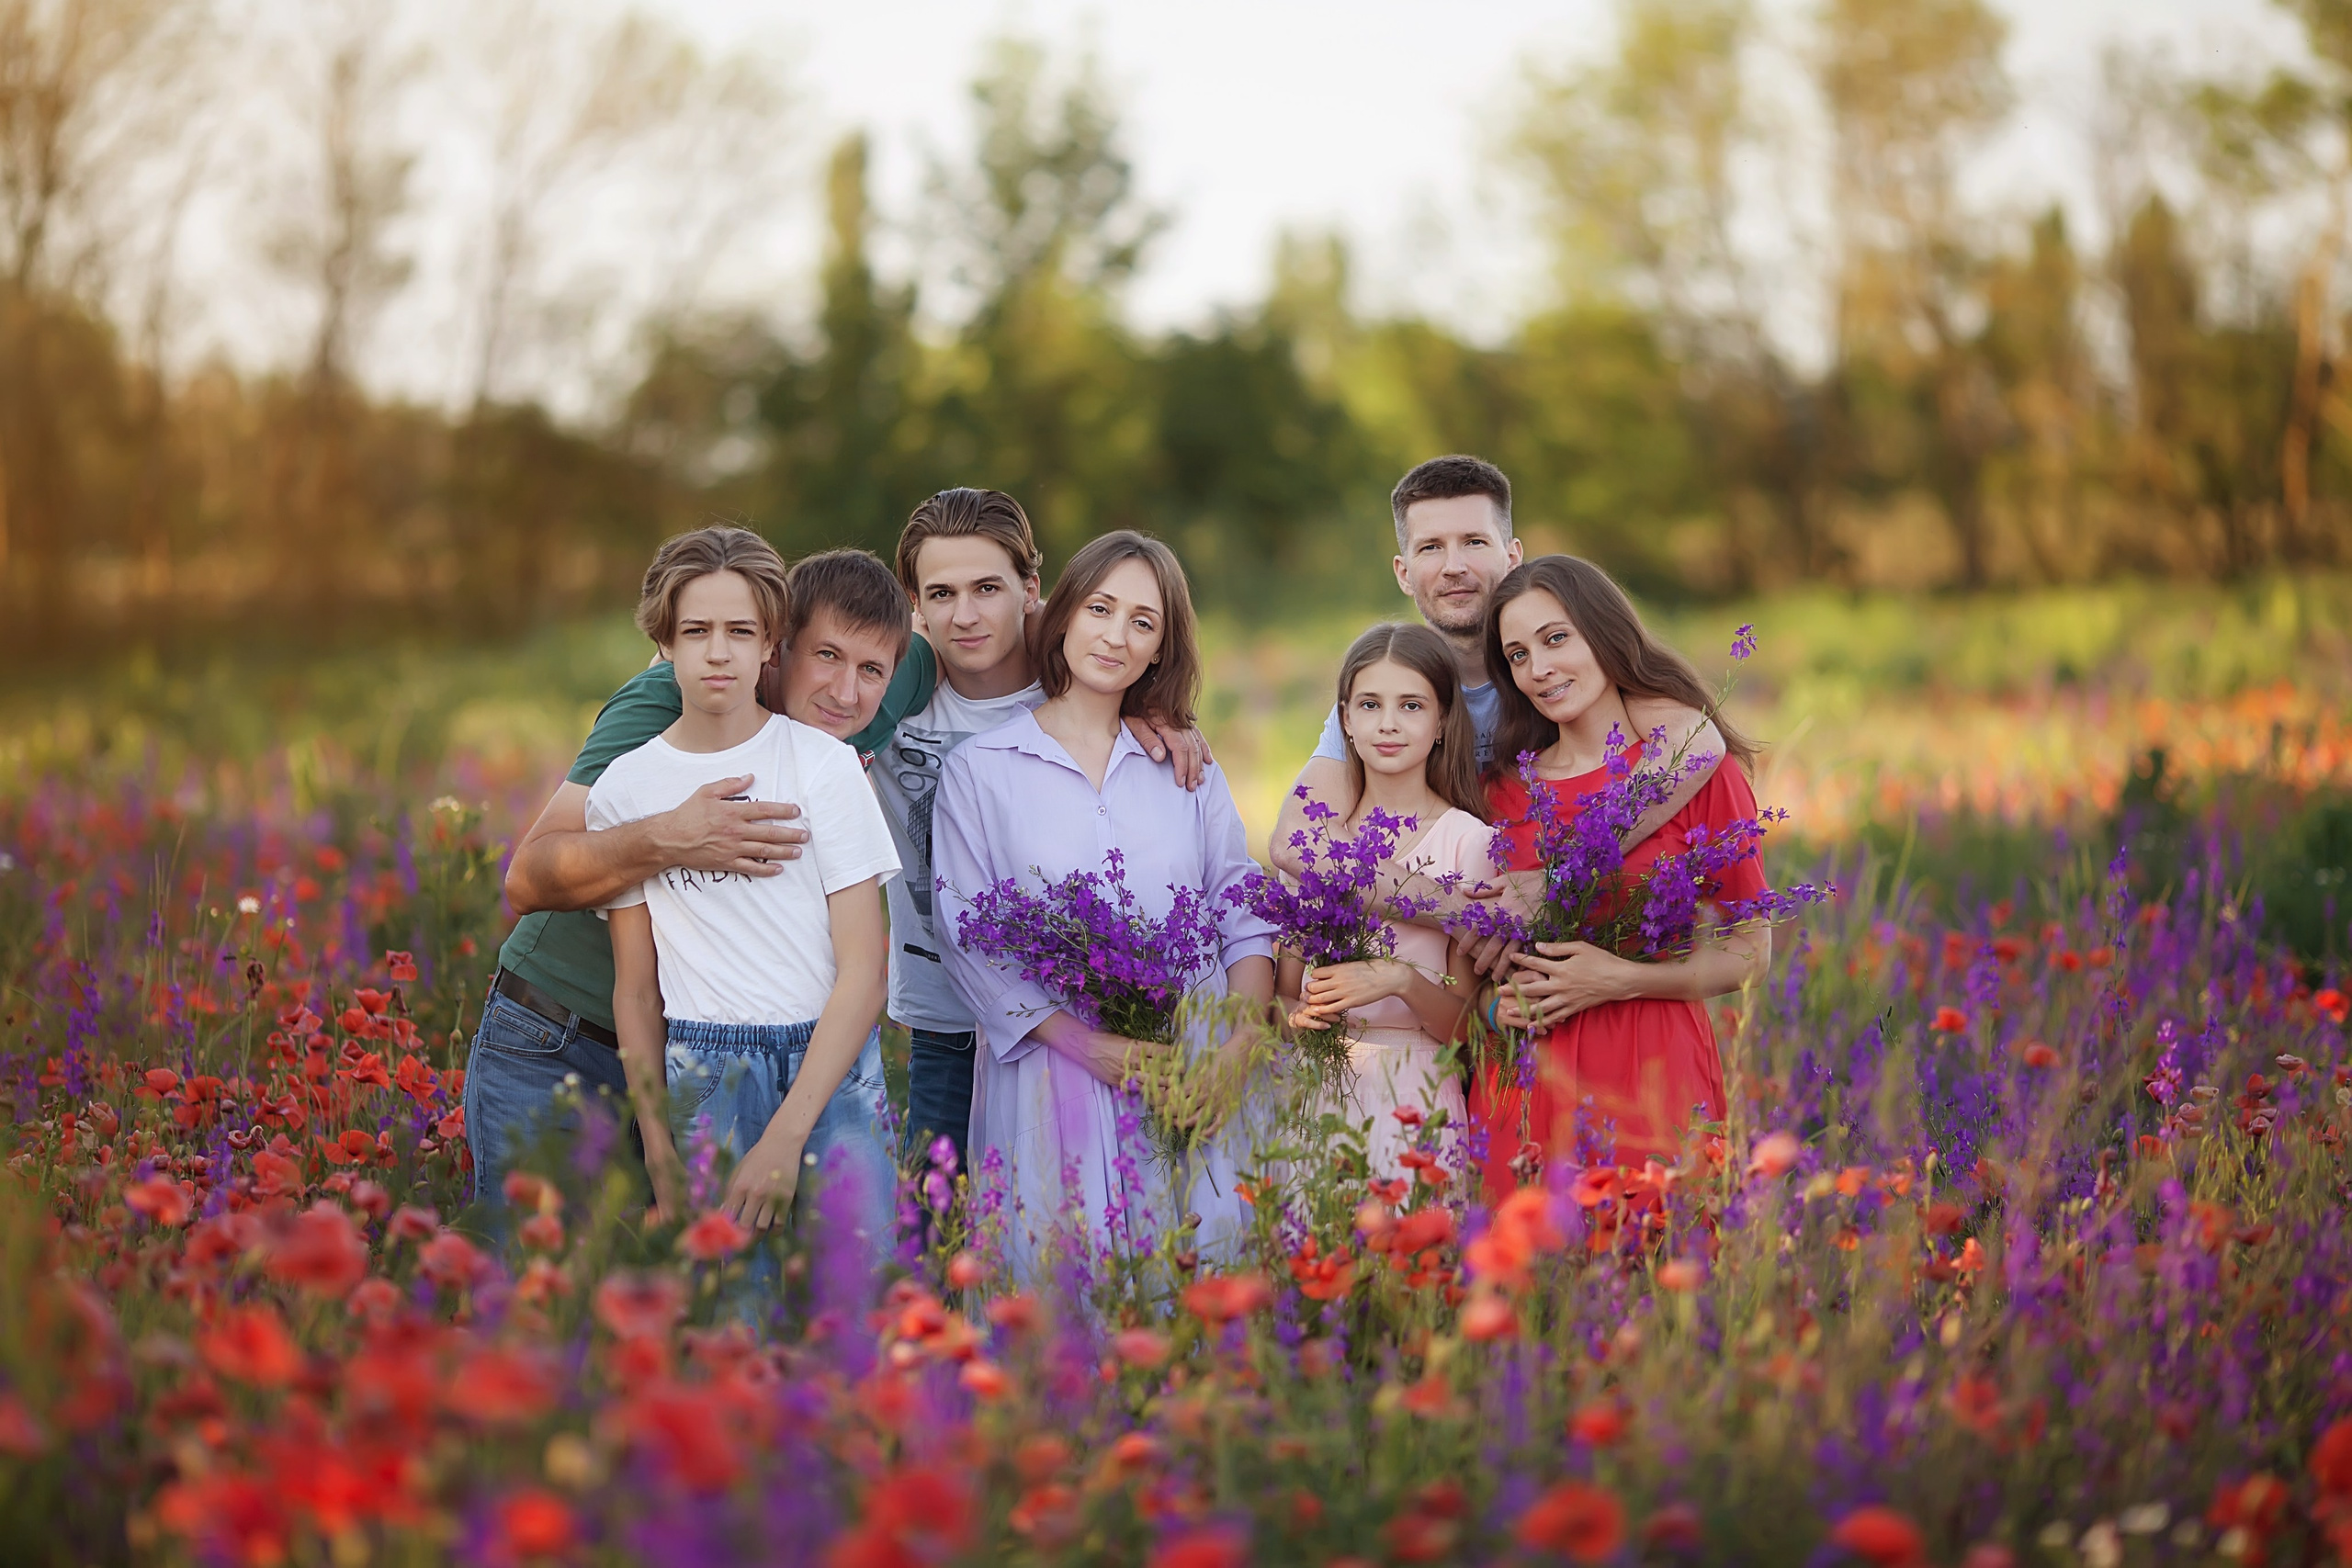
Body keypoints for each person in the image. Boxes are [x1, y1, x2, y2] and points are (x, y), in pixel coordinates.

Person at [465, 531, 917, 1222]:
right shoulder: (658, 713)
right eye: (826, 655)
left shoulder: (830, 742)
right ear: (784, 646)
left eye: (871, 670)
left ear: (765, 638)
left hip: (754, 1055)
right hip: (561, 1028)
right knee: (542, 1273)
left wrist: (1093, 650)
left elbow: (965, 640)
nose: (846, 691)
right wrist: (671, 837)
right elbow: (528, 879)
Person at [932, 530, 1276, 1271]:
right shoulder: (979, 771)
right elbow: (966, 937)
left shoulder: (1186, 765)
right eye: (1100, 608)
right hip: (1053, 1071)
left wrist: (1237, 1050)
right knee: (1064, 1286)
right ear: (1062, 614)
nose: (1116, 636)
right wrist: (1092, 1047)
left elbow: (1242, 906)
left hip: (1193, 1068)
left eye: (1142, 622)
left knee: (1202, 1279)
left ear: (1160, 649)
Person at [1267, 456, 1721, 967]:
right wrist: (1469, 912)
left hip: (1576, 946)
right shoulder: (1390, 693)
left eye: (1474, 542)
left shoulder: (1560, 672)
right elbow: (1296, 844)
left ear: (1512, 555)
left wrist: (1560, 879)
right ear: (1404, 572)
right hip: (1440, 962)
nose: (1453, 566)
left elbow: (1697, 742)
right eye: (1431, 547)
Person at [591, 527, 901, 1256]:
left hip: (832, 1062)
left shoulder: (822, 765)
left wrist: (787, 1136)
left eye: (740, 631)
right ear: (664, 641)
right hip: (706, 1072)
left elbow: (865, 969)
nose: (718, 652)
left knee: (859, 1298)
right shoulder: (625, 788)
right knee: (731, 1308)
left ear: (771, 643)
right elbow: (636, 992)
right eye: (696, 630)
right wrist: (661, 1158)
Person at [1468, 555, 1774, 1192]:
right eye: (1518, 655)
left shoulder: (1698, 773)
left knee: (1652, 1245)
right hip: (1524, 1084)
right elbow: (1468, 972)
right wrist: (1496, 1008)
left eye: (1556, 638)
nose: (1539, 668)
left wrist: (1622, 980)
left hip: (1652, 1070)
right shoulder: (1500, 792)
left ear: (1603, 633)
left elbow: (1750, 952)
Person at [868, 489, 1049, 1184]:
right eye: (942, 593)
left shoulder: (1078, 696)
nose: (964, 615)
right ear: (915, 603)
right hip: (944, 1023)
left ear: (1029, 589)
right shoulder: (883, 698)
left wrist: (1169, 716)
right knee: (931, 1224)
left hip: (1067, 1017)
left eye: (987, 588)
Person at [1276, 623, 1483, 1178]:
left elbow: (1467, 1032)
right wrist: (1297, 1017)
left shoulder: (1468, 842)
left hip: (1416, 1096)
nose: (1388, 723)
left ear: (1443, 721)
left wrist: (1399, 980)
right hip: (1317, 1094)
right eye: (1370, 704)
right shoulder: (1317, 846)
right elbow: (1281, 997)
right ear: (1345, 719)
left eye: (1411, 705)